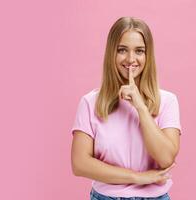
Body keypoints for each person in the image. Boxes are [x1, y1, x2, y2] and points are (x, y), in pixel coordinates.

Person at [70, 17, 182, 200]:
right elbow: (80, 164)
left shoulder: (168, 101)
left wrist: (140, 106)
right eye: (122, 50)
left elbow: (165, 158)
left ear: (148, 55)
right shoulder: (90, 102)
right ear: (111, 53)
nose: (131, 59)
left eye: (139, 51)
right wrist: (138, 178)